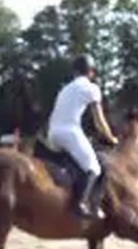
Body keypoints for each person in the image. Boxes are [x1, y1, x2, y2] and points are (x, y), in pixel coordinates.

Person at [47, 54, 118, 219]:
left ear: (75, 72)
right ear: (91, 72)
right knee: (94, 167)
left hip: (52, 133)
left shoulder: (65, 88)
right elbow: (99, 121)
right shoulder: (91, 88)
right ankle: (81, 204)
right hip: (69, 132)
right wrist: (110, 138)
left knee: (78, 161)